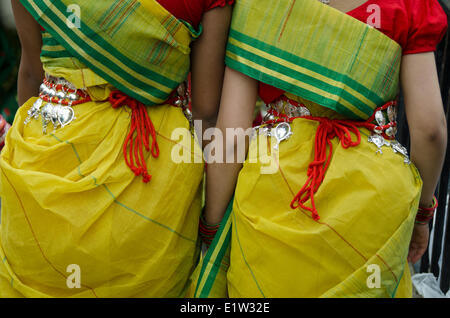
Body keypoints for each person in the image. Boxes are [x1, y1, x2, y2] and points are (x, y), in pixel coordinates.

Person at [194, 0, 448, 298]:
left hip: (275, 194)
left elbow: (232, 138)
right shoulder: (409, 4)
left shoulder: (260, 6)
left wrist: (211, 228)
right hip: (373, 199)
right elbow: (430, 130)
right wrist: (421, 217)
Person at [0, 0, 233, 297]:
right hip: (151, 183)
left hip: (42, 177)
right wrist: (212, 228)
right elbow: (207, 110)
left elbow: (31, 73)